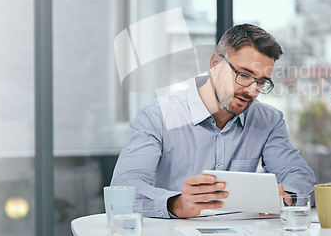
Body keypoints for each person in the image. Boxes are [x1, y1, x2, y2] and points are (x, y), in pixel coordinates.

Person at [111, 23, 316, 218]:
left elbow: (299, 175)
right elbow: (125, 188)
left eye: (261, 82)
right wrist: (177, 203)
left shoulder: (269, 120)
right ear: (216, 64)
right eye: (244, 75)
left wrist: (287, 195)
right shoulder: (157, 116)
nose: (252, 90)